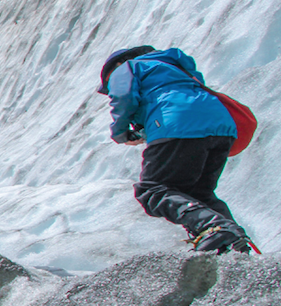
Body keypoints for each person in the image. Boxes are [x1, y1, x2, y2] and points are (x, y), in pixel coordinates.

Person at [98, 46, 251, 253]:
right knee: (198, 193)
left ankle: (213, 228)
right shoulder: (174, 66)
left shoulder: (127, 67)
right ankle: (233, 242)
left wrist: (121, 133)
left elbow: (123, 98)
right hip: (221, 126)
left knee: (152, 190)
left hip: (178, 123)